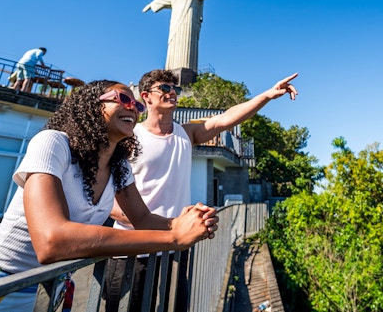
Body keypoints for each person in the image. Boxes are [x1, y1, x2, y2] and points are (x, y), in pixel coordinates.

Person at [0, 80, 218, 311]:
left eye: (137, 106)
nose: (133, 108)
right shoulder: (53, 143)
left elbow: (143, 219)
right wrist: (173, 237)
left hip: (51, 290)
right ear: (93, 106)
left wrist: (184, 222)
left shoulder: (120, 166)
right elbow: (51, 242)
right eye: (123, 99)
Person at [104, 70, 298, 311]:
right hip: (132, 251)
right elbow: (108, 202)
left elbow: (226, 118)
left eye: (175, 89)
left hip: (174, 248)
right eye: (164, 88)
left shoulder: (186, 134)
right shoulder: (130, 138)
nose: (172, 92)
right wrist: (157, 223)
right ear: (146, 96)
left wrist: (268, 95)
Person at [143, 0, 248, 72]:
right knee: (180, 41)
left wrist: (151, 4)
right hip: (187, 18)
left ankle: (177, 70)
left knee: (181, 41)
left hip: (181, 19)